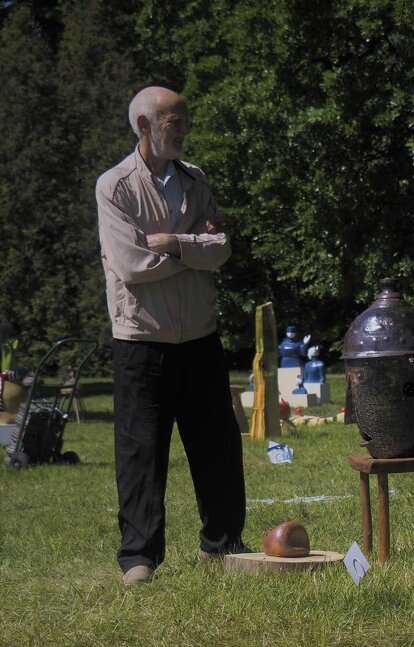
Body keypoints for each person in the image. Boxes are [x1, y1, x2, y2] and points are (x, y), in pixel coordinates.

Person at [96, 86, 248, 585]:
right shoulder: (114, 187)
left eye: (184, 120)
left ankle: (223, 543)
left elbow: (221, 248)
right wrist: (192, 250)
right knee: (141, 451)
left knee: (217, 445)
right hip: (142, 338)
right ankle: (139, 556)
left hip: (200, 335)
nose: (182, 130)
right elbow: (132, 265)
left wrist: (175, 243)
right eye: (172, 122)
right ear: (143, 125)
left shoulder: (195, 179)